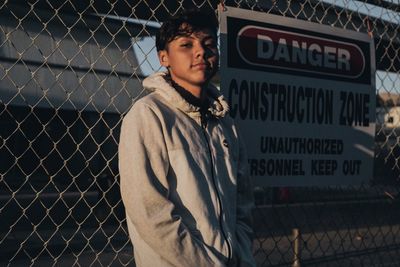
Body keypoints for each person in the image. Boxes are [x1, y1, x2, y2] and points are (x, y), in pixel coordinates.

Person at [119, 8, 256, 267]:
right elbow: (150, 211)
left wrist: (243, 256)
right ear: (164, 58)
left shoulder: (225, 122)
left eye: (208, 44)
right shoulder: (149, 115)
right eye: (186, 45)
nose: (201, 52)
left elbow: (243, 203)